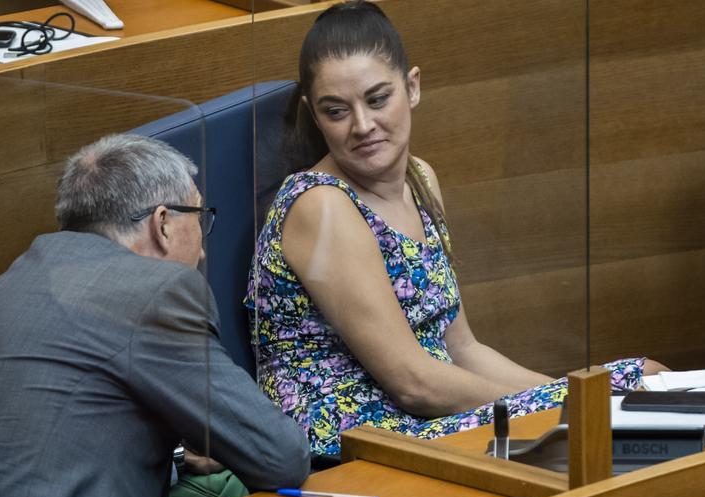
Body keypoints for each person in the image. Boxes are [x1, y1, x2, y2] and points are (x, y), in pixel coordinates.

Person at [247, 1, 658, 460]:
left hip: (429, 412)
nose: (363, 126)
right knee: (615, 416)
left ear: (413, 87)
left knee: (649, 380)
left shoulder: (421, 179)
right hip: (362, 435)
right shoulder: (319, 203)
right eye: (336, 111)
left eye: (378, 99)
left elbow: (461, 346)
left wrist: (565, 393)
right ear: (314, 114)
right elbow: (412, 382)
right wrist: (551, 408)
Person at [0, 134, 310, 497]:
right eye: (201, 218)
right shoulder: (156, 291)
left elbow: (64, 428)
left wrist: (180, 455)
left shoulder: (4, 285)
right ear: (163, 223)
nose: (200, 249)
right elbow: (280, 457)